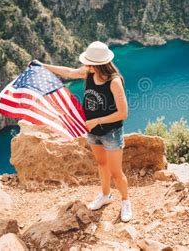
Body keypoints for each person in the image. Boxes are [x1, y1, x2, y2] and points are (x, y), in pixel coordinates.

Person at [34, 41, 132, 222]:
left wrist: (97, 120)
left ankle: (125, 202)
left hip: (111, 132)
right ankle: (105, 195)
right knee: (101, 164)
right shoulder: (89, 73)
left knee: (116, 171)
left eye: (89, 62)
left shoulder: (114, 81)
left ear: (98, 64)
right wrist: (43, 66)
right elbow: (69, 72)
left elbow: (123, 112)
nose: (86, 65)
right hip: (93, 131)